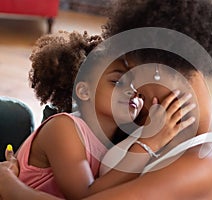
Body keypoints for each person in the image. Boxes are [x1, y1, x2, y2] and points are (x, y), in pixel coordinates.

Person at [0, 0, 212, 199]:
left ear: (163, 67)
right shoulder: (153, 117)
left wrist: (13, 190)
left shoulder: (206, 162)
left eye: (136, 71)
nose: (135, 87)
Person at [0, 30, 195, 200]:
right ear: (84, 92)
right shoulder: (63, 128)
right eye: (118, 82)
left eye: (138, 86)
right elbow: (86, 195)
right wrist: (149, 143)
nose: (133, 91)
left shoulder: (119, 142)